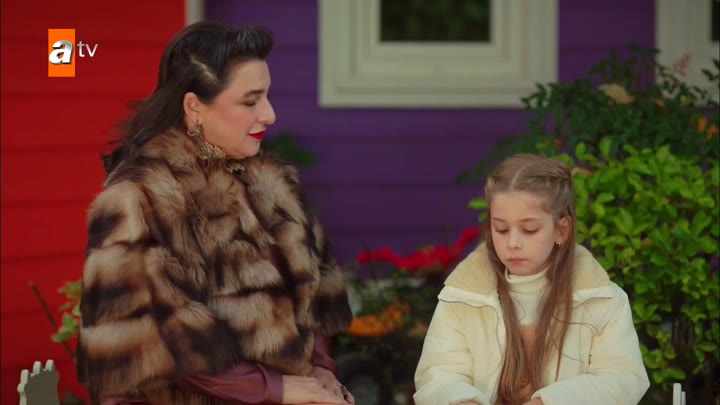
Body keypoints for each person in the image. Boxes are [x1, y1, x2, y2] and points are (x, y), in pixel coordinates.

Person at [76, 21, 355, 405]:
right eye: (251, 101)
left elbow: (318, 293)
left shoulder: (276, 186)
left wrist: (319, 369)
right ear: (195, 108)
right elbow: (160, 337)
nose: (270, 114)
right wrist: (274, 388)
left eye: (267, 97)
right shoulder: (140, 199)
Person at [413, 154, 650, 405]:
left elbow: (621, 379)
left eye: (529, 230)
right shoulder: (460, 297)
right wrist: (460, 400)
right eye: (501, 229)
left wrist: (549, 402)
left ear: (562, 230)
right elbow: (438, 374)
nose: (513, 243)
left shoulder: (603, 300)